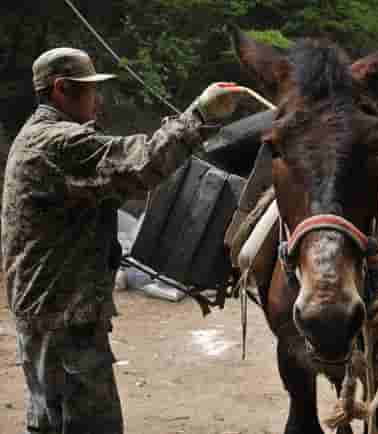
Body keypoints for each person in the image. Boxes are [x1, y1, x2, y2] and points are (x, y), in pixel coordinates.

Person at [2, 47, 240, 434]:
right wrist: (199, 114)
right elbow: (140, 164)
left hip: (48, 317)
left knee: (51, 422)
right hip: (63, 323)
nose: (99, 100)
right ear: (62, 89)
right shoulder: (55, 144)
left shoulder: (35, 137)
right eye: (91, 90)